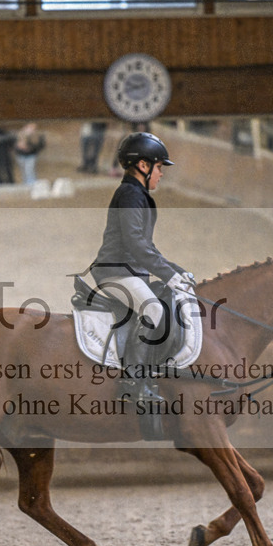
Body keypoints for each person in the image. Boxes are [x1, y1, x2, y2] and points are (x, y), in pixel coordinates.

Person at [89, 132, 193, 403]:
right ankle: (132, 383)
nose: (162, 173)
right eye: (159, 167)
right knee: (154, 309)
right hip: (116, 272)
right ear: (143, 166)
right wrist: (168, 275)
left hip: (129, 270)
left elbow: (147, 247)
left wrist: (177, 271)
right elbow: (136, 244)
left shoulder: (136, 194)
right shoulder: (130, 194)